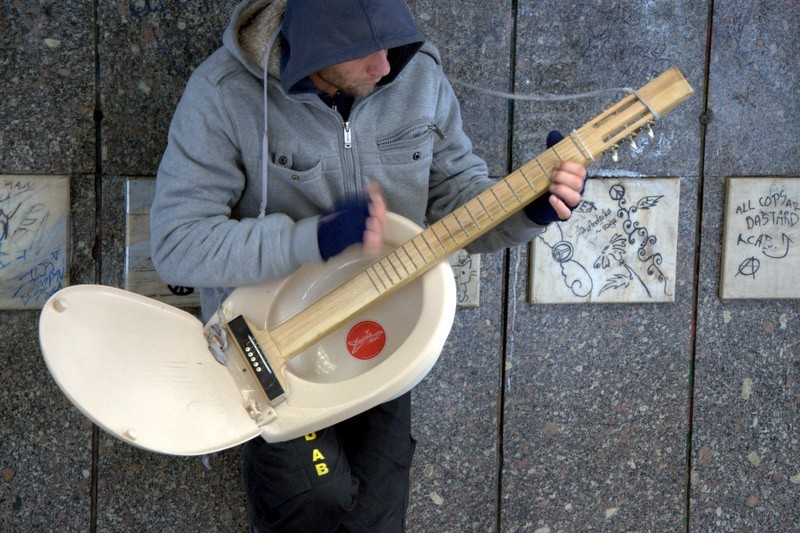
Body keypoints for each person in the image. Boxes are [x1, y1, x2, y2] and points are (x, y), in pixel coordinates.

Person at [150, 0, 587, 530]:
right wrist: (314, 239)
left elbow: (458, 200)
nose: (385, 66)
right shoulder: (223, 92)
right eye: (363, 52)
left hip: (384, 332)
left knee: (379, 511)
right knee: (314, 497)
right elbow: (177, 243)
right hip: (269, 344)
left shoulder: (416, 73)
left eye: (390, 43)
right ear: (310, 46)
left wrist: (530, 207)